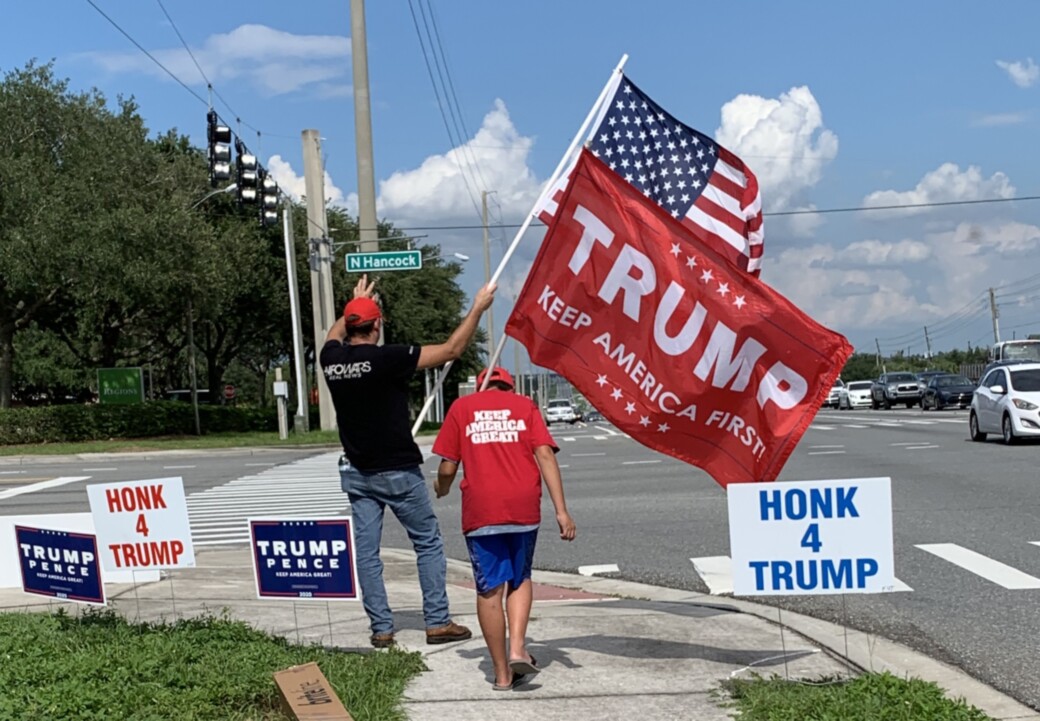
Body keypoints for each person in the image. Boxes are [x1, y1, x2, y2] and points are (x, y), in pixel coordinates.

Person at [320, 273, 496, 649]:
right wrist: (477, 308)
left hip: (357, 472)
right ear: (378, 325)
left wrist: (351, 305)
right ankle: (436, 621)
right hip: (398, 470)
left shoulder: (332, 361)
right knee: (427, 543)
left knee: (367, 553)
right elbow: (451, 349)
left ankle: (382, 628)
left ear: (350, 326)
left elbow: (331, 337)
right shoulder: (389, 358)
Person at [431, 366, 577, 691]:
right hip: (523, 506)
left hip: (481, 510)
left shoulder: (462, 409)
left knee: (489, 589)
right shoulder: (524, 406)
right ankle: (517, 647)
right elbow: (545, 455)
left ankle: (501, 674)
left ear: (481, 385)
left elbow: (447, 466)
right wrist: (562, 511)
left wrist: (442, 487)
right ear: (508, 387)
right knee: (520, 577)